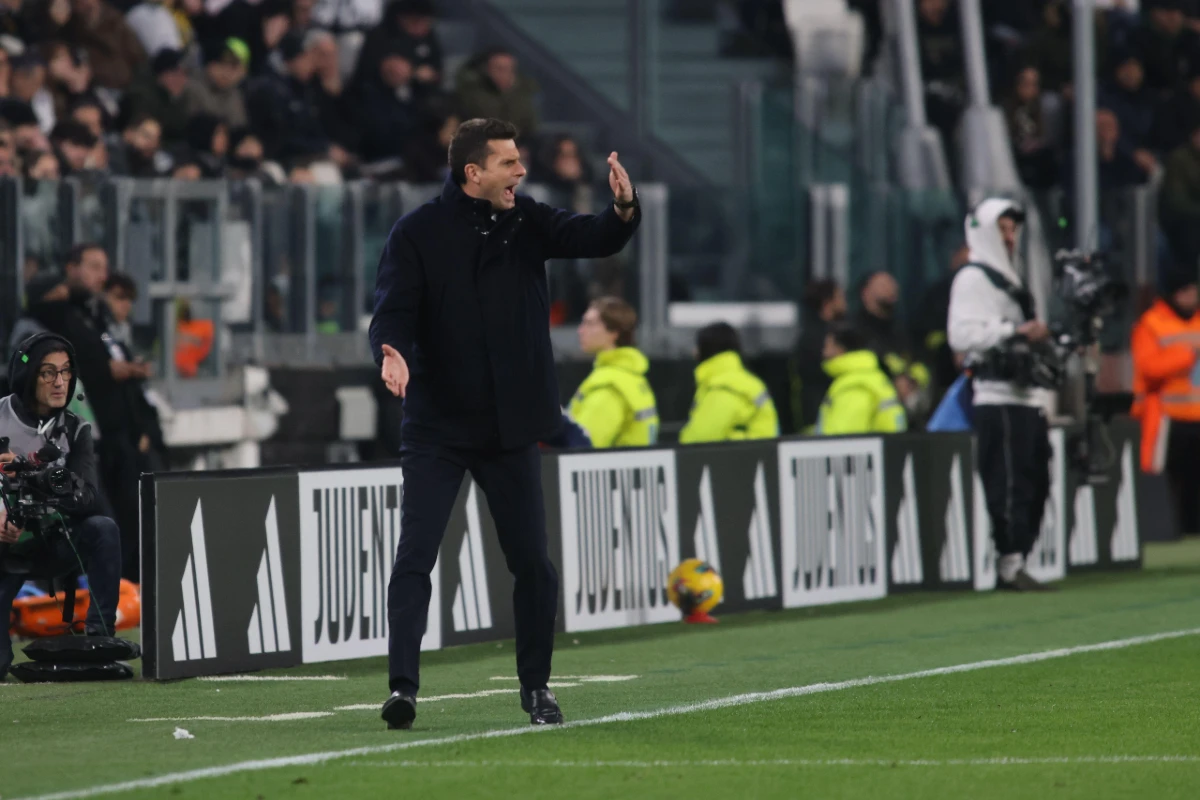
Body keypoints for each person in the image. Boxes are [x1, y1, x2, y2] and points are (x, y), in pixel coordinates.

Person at [369, 118, 640, 730]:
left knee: (533, 565)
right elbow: (392, 310)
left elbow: (594, 236)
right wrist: (391, 351)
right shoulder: (416, 232)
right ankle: (402, 688)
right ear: (474, 173)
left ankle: (536, 688)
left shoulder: (526, 219)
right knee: (415, 557)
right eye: (509, 163)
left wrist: (623, 207)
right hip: (438, 426)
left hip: (512, 427)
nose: (521, 171)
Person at [947, 198, 1054, 592]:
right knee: (1008, 482)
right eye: (1002, 229)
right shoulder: (972, 278)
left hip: (1028, 395)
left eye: (1013, 229)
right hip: (996, 395)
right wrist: (1012, 331)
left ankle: (1020, 557)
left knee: (1035, 479)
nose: (1009, 237)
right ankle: (1008, 561)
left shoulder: (1014, 276)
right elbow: (960, 334)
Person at [0, 332, 120, 681]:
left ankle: (100, 636)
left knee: (103, 529)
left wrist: (33, 474)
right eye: (48, 373)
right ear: (28, 376)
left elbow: (88, 498)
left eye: (66, 372)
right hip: (6, 546)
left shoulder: (76, 427)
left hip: (56, 540)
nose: (60, 382)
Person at [1131, 268, 1200, 533]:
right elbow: (1148, 367)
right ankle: (1168, 530)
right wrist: (1185, 356)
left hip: (1197, 417)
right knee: (1168, 480)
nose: (1190, 297)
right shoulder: (1152, 323)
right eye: (1184, 291)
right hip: (1168, 418)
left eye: (1193, 290)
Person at [568, 296, 659, 448]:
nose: (580, 330)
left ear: (614, 332)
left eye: (590, 323)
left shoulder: (609, 385)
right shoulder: (632, 376)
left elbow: (583, 446)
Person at [679, 322, 779, 443]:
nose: (694, 352)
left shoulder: (723, 386)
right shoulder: (749, 382)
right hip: (764, 452)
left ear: (707, 349)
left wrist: (729, 438)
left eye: (698, 347)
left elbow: (697, 439)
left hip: (746, 454)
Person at [816, 322, 906, 435]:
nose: (824, 353)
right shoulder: (872, 377)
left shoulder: (854, 385)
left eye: (827, 346)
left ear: (840, 349)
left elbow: (843, 439)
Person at [791, 278, 846, 433]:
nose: (844, 302)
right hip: (817, 420)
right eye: (840, 297)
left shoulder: (824, 331)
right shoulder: (814, 337)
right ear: (827, 303)